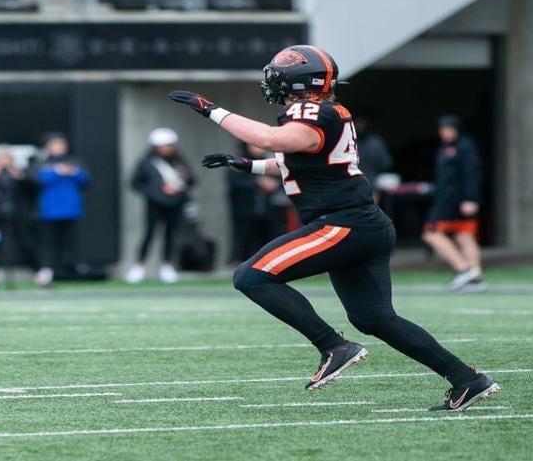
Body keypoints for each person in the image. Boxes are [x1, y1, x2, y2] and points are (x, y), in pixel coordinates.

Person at [168, 44, 499, 412]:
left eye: (277, 80)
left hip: (344, 223)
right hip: (362, 224)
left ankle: (332, 345)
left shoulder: (311, 112)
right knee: (374, 318)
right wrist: (247, 166)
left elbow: (271, 140)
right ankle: (467, 379)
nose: (272, 87)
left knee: (251, 276)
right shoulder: (327, 113)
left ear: (297, 83)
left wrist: (210, 109)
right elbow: (296, 161)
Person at [421, 115, 486, 293]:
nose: (444, 133)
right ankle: (475, 279)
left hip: (457, 201)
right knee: (463, 235)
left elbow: (472, 174)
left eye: (448, 129)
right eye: (442, 129)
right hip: (445, 199)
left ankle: (465, 270)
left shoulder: (465, 146)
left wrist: (471, 199)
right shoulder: (444, 148)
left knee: (431, 234)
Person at [125, 127, 195, 284]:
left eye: (169, 145)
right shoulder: (146, 162)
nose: (166, 149)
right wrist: (157, 192)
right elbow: (135, 183)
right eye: (163, 145)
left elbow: (192, 181)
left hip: (175, 204)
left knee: (171, 235)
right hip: (154, 204)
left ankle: (167, 266)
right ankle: (139, 266)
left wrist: (182, 183)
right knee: (149, 234)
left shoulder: (180, 161)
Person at [30, 133, 90, 287]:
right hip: (49, 211)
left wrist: (73, 172)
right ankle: (47, 271)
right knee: (48, 242)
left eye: (61, 145)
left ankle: (65, 272)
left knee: (68, 243)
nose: (59, 148)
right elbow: (34, 180)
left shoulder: (74, 161)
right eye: (55, 145)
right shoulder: (41, 163)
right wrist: (56, 172)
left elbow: (85, 179)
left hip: (70, 210)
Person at [0, 148, 39, 290]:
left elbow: (32, 189)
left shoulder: (19, 176)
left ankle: (40, 275)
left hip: (17, 217)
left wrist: (18, 175)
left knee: (26, 244)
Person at [226, 142, 285, 265]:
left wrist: (273, 184)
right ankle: (238, 261)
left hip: (267, 209)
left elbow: (281, 176)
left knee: (268, 237)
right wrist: (257, 182)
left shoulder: (270, 161)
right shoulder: (239, 160)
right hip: (244, 209)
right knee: (243, 238)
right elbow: (235, 182)